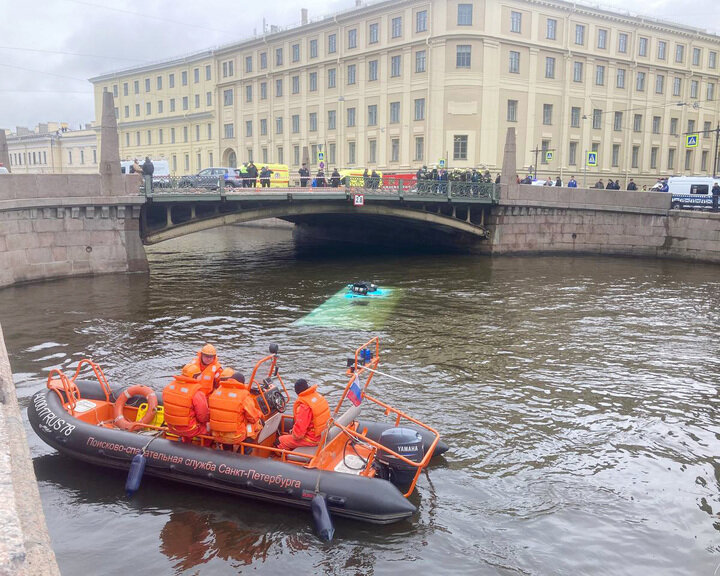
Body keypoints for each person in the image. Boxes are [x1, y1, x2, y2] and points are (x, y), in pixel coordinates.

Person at [208, 369, 264, 452]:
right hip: (235, 436)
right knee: (258, 424)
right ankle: (244, 451)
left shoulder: (216, 392)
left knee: (226, 424)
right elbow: (253, 418)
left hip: (216, 434)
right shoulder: (244, 396)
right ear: (242, 383)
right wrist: (260, 414)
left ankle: (228, 450)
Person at [163, 362, 215, 444]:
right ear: (195, 377)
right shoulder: (196, 393)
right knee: (210, 427)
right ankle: (205, 448)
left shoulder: (168, 387)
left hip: (171, 427)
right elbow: (203, 416)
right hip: (189, 429)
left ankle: (186, 442)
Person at [277, 379, 330, 451]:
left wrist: (292, 434)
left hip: (312, 439)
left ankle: (283, 459)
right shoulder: (316, 396)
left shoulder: (304, 406)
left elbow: (298, 435)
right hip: (321, 435)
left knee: (279, 441)